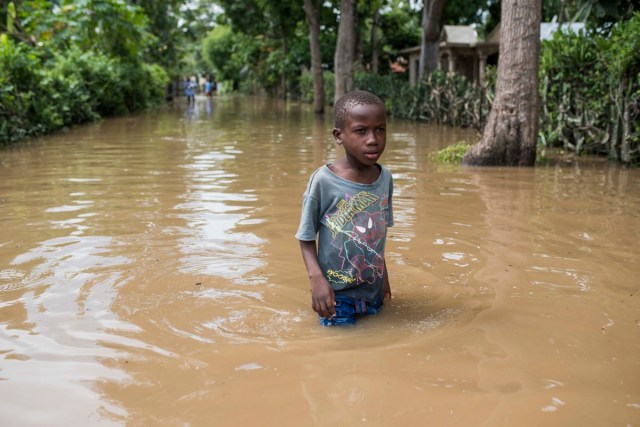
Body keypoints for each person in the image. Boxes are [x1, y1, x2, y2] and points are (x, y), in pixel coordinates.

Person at [295, 90, 394, 326]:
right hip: (336, 295)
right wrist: (316, 280)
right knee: (341, 353)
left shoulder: (385, 178)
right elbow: (306, 236)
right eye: (361, 131)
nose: (373, 139)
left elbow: (377, 238)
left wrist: (385, 280)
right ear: (339, 136)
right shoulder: (323, 181)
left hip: (372, 290)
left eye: (380, 129)